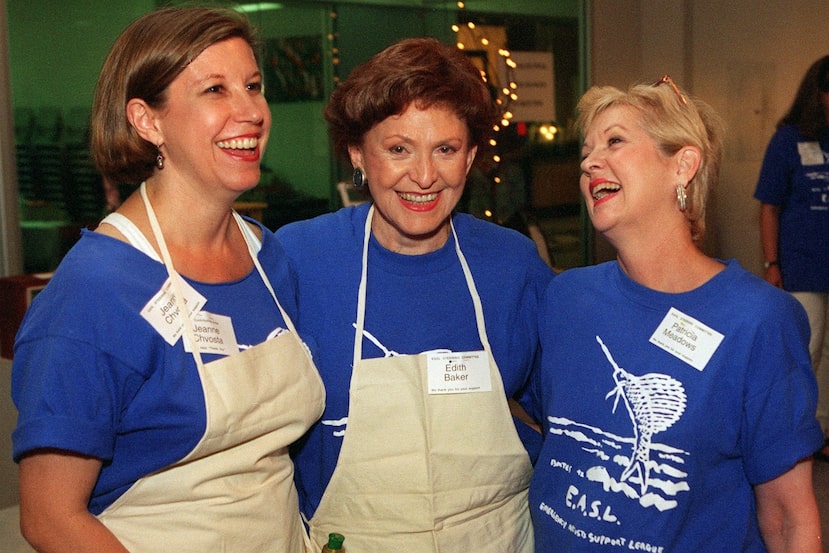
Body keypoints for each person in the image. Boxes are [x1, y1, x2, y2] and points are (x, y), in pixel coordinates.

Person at [11, 7, 324, 552]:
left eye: (253, 86)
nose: (250, 111)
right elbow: (49, 518)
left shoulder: (266, 256)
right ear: (147, 121)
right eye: (215, 91)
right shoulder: (95, 292)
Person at [276, 37, 554, 552]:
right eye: (398, 148)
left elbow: (570, 417)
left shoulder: (511, 264)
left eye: (445, 149)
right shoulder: (299, 259)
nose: (425, 176)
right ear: (358, 153)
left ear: (470, 157)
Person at [529, 76, 823, 552]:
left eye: (615, 141)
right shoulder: (566, 297)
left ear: (682, 165)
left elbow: (790, 517)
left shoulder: (758, 320)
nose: (588, 162)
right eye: (586, 150)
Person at [754, 55, 829, 462]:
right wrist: (772, 264)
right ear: (817, 95)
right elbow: (769, 206)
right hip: (801, 267)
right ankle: (793, 437)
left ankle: (821, 431)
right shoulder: (788, 140)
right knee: (806, 351)